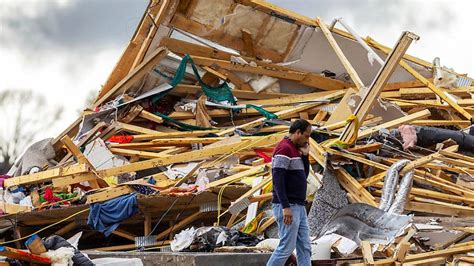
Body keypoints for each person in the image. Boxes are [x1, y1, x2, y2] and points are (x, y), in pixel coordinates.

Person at [267, 119, 312, 266]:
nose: (308, 139)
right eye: (306, 135)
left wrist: (305, 156)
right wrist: (285, 207)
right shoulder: (284, 149)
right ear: (298, 133)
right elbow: (278, 180)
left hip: (298, 205)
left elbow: (304, 175)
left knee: (305, 246)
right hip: (288, 206)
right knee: (286, 247)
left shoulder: (295, 150)